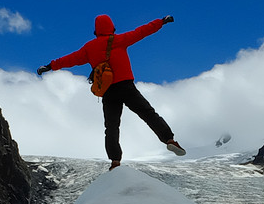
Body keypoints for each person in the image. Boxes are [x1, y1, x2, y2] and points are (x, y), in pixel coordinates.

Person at [38, 14, 186, 169]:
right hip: (126, 86)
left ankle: (115, 161)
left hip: (108, 91)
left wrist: (50, 66)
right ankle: (169, 140)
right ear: (112, 28)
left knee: (112, 126)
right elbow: (142, 31)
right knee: (148, 114)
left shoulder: (89, 48)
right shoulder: (119, 40)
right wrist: (161, 21)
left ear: (96, 31)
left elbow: (70, 59)